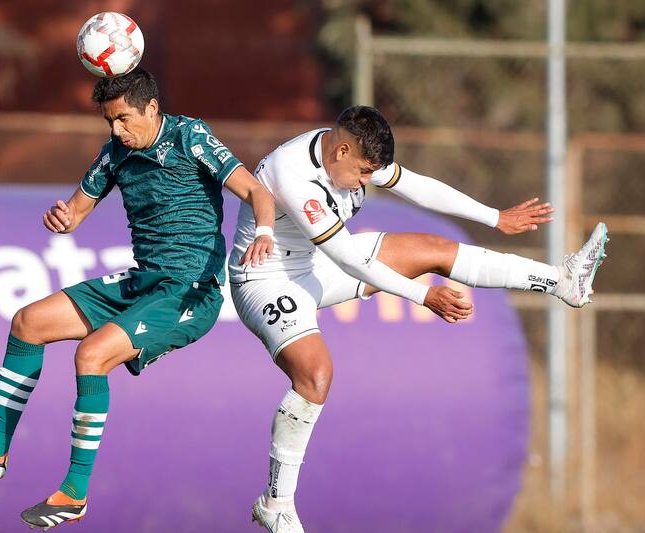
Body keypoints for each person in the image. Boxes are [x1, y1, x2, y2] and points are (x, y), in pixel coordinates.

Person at [228, 105, 608, 533]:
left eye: (373, 173)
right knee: (316, 375)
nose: (366, 182)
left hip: (314, 264)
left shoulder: (348, 150)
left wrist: (495, 217)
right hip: (265, 280)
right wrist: (422, 295)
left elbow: (417, 187)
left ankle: (562, 280)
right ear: (342, 151)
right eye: (364, 172)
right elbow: (351, 260)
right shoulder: (293, 175)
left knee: (433, 248)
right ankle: (276, 502)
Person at [0, 67, 275, 530]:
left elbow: (254, 189)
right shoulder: (115, 152)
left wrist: (265, 232)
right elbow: (75, 210)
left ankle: (73, 494)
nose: (117, 129)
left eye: (124, 119)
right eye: (109, 120)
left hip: (189, 291)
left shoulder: (190, 136)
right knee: (28, 322)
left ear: (152, 108)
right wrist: (62, 217)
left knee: (91, 355)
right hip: (142, 282)